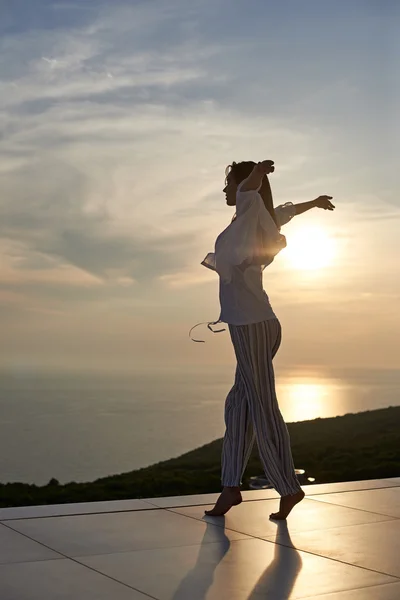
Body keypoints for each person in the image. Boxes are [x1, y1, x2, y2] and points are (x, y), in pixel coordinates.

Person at [192, 159, 334, 520]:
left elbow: (248, 188)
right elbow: (285, 211)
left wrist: (257, 170)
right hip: (253, 325)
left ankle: (288, 487)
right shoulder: (256, 221)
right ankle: (230, 488)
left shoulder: (248, 203)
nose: (226, 190)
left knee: (261, 406)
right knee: (238, 405)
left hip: (253, 325)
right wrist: (314, 202)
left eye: (229, 184)